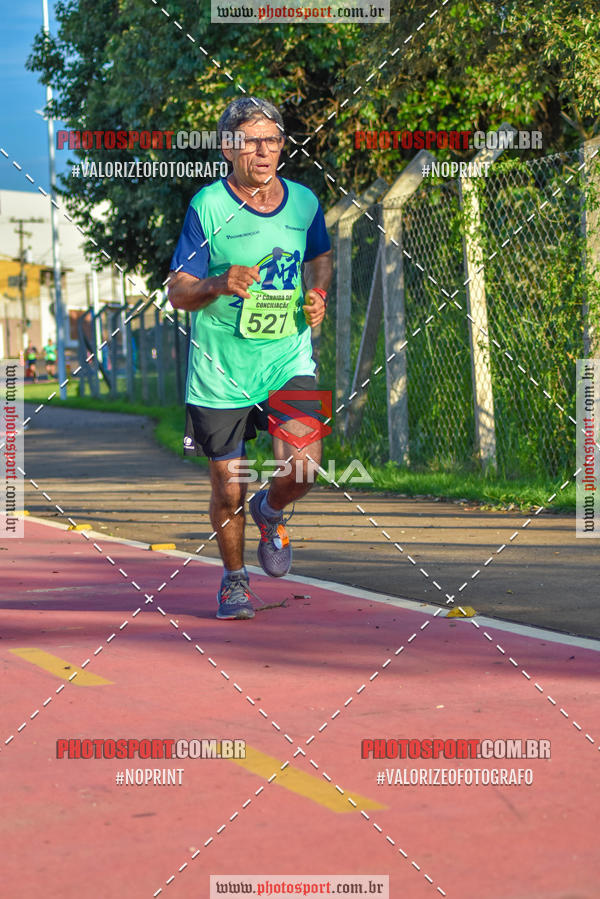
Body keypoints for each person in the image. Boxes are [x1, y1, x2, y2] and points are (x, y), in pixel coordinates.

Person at [168, 97, 333, 621]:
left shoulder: (304, 202)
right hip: (221, 370)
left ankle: (272, 507)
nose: (264, 152)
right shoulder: (208, 207)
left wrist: (318, 294)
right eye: (252, 142)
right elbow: (177, 291)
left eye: (273, 141)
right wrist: (218, 283)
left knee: (304, 466)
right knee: (227, 488)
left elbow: (320, 255)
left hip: (287, 357)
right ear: (227, 148)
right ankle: (234, 581)